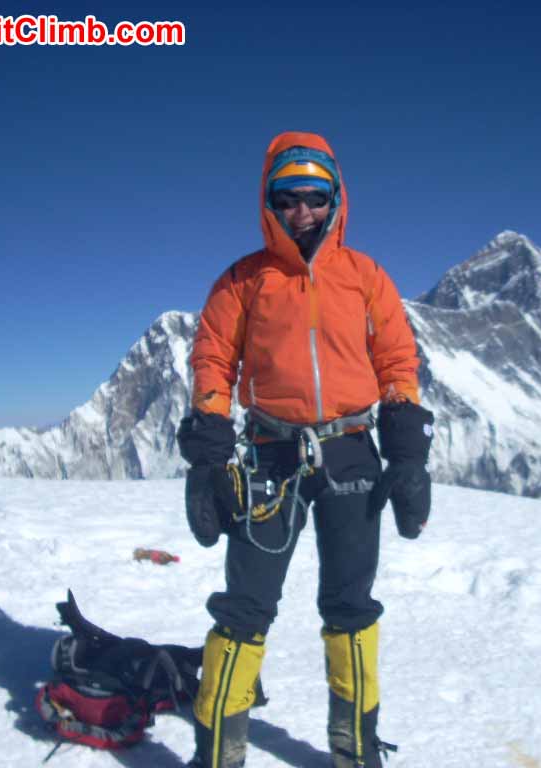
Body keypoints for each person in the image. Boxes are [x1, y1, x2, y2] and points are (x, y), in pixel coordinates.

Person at [176, 131, 435, 768]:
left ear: (335, 198)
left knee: (351, 605)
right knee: (245, 606)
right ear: (269, 202)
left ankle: (355, 748)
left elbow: (397, 358)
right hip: (271, 455)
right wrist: (209, 451)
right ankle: (218, 754)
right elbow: (213, 360)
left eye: (315, 198)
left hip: (351, 450)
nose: (302, 213)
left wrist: (405, 448)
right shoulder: (243, 281)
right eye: (287, 199)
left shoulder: (365, 276)